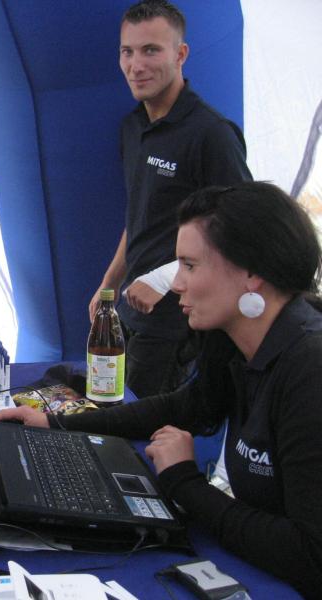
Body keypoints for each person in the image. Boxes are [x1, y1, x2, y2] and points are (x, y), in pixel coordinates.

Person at [0, 181, 322, 597]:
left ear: (252, 273)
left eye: (189, 265)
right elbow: (186, 406)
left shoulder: (310, 369)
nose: (177, 283)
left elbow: (311, 556)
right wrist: (54, 424)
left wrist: (184, 482)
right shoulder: (237, 343)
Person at [89, 0, 252, 398]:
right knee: (106, 418)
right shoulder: (133, 127)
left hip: (175, 325)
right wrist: (108, 286)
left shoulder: (211, 133)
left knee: (142, 431)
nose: (136, 65)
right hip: (128, 315)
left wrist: (164, 279)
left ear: (180, 54)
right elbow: (140, 217)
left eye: (151, 50)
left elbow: (243, 232)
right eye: (127, 51)